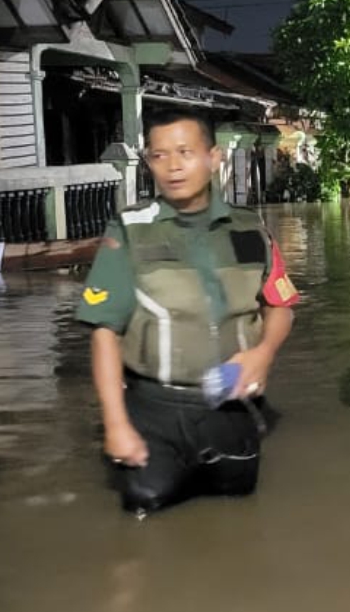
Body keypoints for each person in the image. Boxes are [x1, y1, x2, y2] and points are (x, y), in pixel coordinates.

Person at [77, 109, 298, 513]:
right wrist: (115, 423)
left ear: (214, 158)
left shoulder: (251, 230)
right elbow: (104, 331)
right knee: (146, 506)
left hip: (231, 406)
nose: (173, 166)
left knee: (238, 513)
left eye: (185, 152)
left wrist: (263, 354)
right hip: (153, 409)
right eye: (159, 155)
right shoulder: (130, 230)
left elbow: (280, 306)